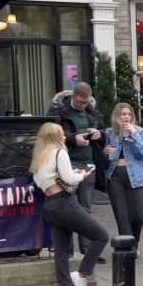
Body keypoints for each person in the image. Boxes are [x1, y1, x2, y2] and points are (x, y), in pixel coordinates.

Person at [30, 122, 109, 286]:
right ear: (54, 137)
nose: (65, 137)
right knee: (101, 236)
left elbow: (49, 180)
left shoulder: (39, 158)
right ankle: (80, 275)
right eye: (61, 134)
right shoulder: (59, 152)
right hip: (66, 203)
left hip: (51, 206)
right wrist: (82, 175)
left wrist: (73, 174)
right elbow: (70, 179)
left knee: (61, 251)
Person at [46, 82, 109, 262]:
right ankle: (66, 250)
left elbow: (104, 132)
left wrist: (99, 134)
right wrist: (74, 139)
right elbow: (51, 133)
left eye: (86, 102)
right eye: (80, 102)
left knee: (85, 208)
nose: (83, 105)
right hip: (68, 163)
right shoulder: (58, 110)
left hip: (89, 164)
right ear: (72, 97)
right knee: (66, 207)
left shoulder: (92, 112)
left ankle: (89, 250)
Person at [104, 103, 143, 250]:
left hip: (135, 177)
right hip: (115, 176)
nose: (126, 117)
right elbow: (103, 157)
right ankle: (129, 248)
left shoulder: (140, 132)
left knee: (139, 215)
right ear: (116, 116)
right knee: (121, 215)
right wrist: (105, 152)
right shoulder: (110, 133)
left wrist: (133, 134)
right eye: (123, 114)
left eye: (129, 114)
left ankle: (134, 242)